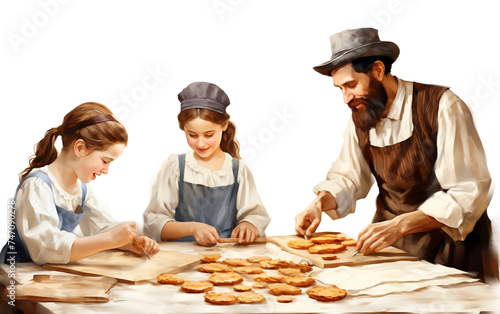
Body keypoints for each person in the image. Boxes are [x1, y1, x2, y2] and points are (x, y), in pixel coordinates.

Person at [295, 28, 498, 282]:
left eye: (351, 85)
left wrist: (399, 225)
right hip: (393, 256)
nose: (346, 98)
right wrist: (318, 204)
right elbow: (349, 178)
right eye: (340, 89)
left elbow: (467, 193)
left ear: (378, 71)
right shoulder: (362, 115)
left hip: (453, 257)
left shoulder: (443, 106)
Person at [1, 102, 159, 265]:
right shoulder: (37, 185)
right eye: (105, 161)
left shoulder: (82, 190)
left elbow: (101, 228)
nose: (106, 170)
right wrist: (111, 239)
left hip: (50, 274)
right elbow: (44, 247)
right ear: (80, 148)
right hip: (20, 276)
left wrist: (129, 243)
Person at [143, 81, 271, 246]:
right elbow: (155, 222)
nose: (201, 144)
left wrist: (249, 224)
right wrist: (192, 228)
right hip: (182, 255)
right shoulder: (176, 166)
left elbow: (255, 215)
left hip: (227, 256)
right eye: (192, 135)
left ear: (224, 125)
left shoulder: (238, 169)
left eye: (209, 135)